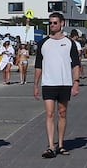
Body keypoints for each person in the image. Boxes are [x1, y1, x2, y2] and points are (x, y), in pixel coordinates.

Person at [33, 12, 81, 158]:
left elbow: (76, 64)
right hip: (48, 83)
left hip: (64, 83)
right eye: (51, 23)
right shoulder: (43, 43)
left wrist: (76, 82)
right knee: (49, 113)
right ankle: (50, 146)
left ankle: (60, 144)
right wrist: (35, 84)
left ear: (62, 23)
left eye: (55, 23)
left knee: (62, 113)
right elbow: (38, 66)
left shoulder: (69, 43)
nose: (52, 25)